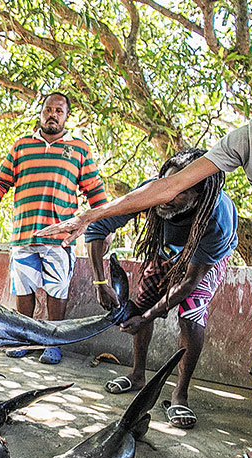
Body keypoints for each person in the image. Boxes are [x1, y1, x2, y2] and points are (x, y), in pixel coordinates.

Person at [40, 35, 252, 458]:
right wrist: (89, 216)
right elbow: (170, 186)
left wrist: (149, 312)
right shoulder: (250, 138)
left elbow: (191, 283)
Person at [86, 148, 237, 429]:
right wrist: (99, 282)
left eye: (179, 191)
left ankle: (180, 392)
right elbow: (97, 227)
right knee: (142, 302)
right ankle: (137, 375)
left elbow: (189, 282)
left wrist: (146, 317)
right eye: (165, 186)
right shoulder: (152, 192)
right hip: (166, 249)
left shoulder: (217, 219)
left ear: (199, 196)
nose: (166, 196)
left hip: (204, 259)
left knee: (191, 317)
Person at [0, 92, 108, 364]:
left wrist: (104, 227)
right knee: (24, 292)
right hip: (24, 235)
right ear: (40, 112)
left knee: (57, 292)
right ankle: (25, 339)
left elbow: (96, 193)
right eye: (48, 109)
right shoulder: (22, 146)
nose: (53, 115)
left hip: (59, 237)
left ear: (66, 117)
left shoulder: (79, 149)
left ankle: (52, 343)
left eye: (59, 111)